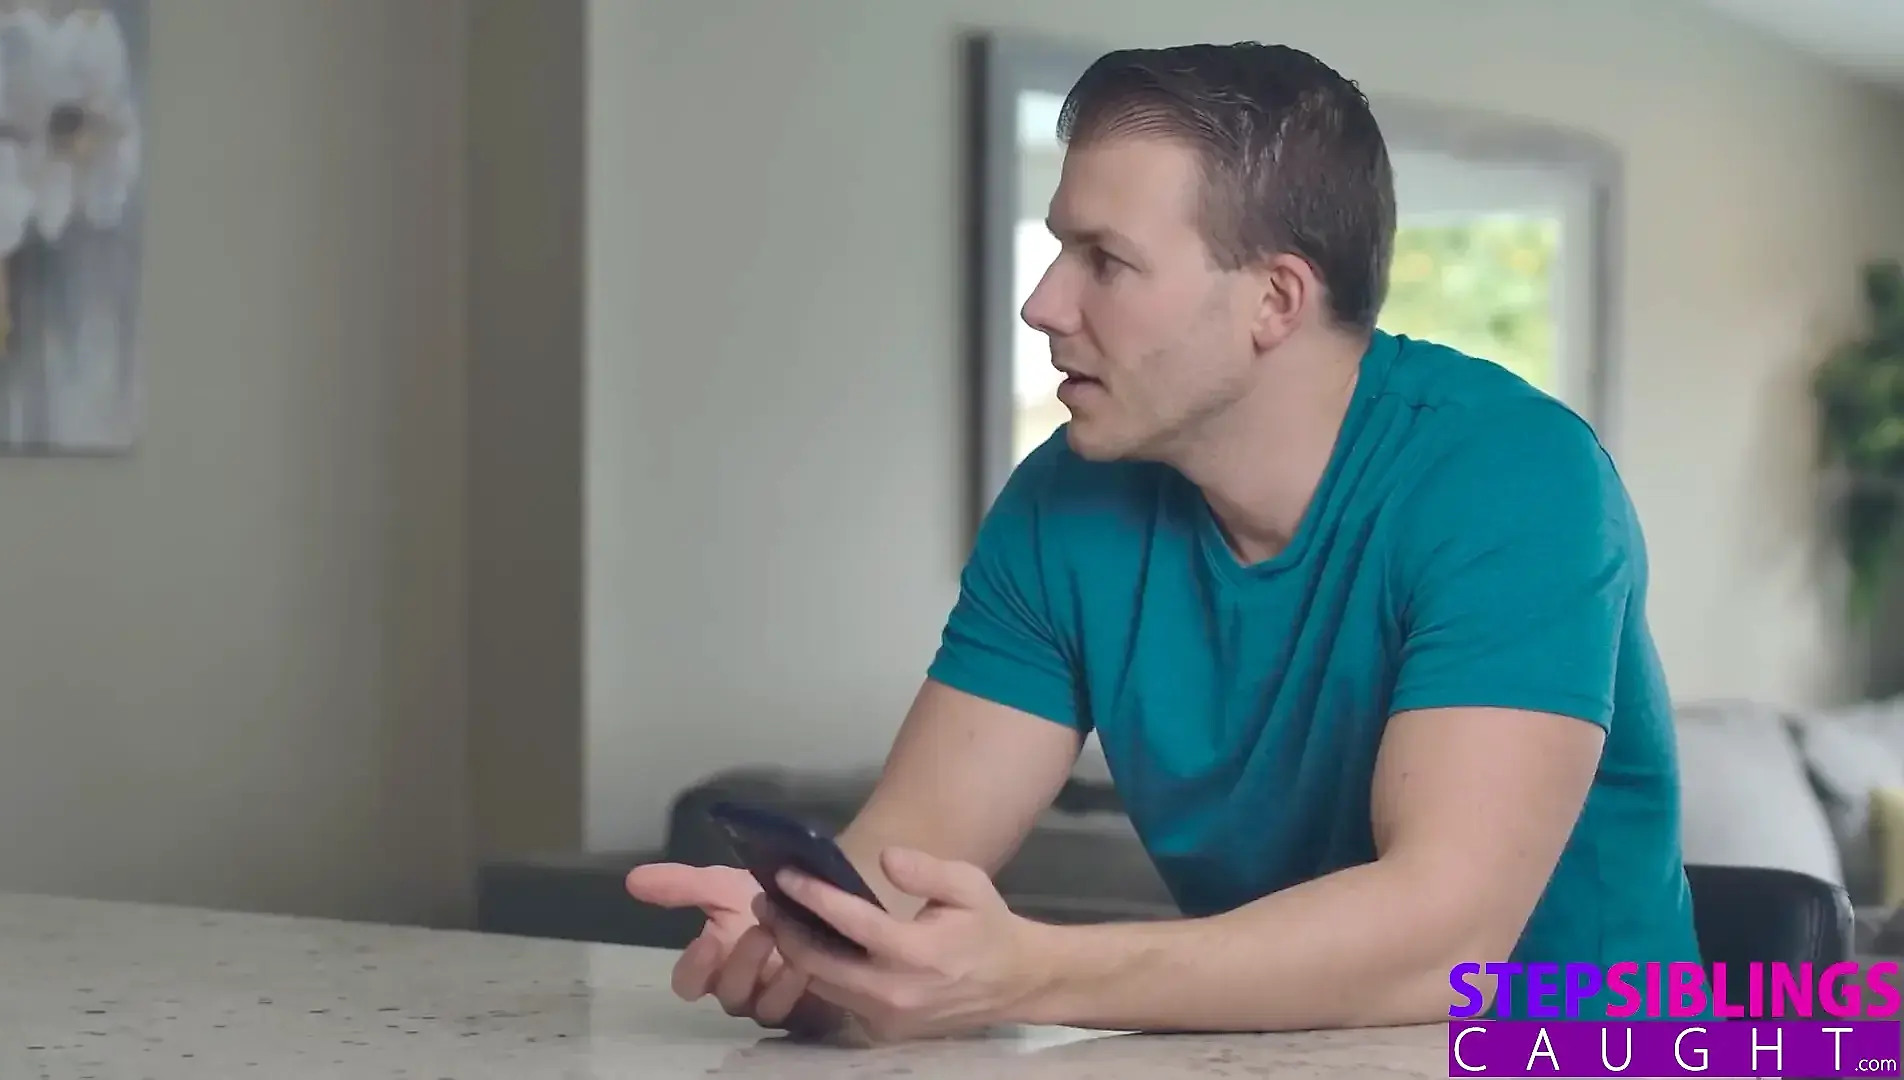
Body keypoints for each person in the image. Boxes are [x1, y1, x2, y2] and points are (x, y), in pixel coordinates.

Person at [625, 40, 1702, 1044]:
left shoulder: (1516, 478)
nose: (1043, 304)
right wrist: (816, 944)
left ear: (1274, 299)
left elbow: (1445, 944)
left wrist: (1027, 974)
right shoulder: (1063, 502)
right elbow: (901, 873)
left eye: (1105, 260)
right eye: (1059, 248)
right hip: (1279, 1056)